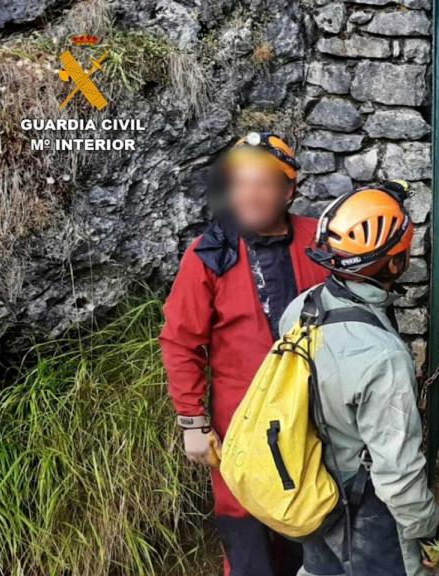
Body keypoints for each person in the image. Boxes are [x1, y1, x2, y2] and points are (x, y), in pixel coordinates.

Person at [160, 132, 328, 575]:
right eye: (240, 183)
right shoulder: (208, 255)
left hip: (315, 418)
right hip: (240, 427)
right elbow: (180, 340)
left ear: (289, 190)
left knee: (312, 532)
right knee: (248, 543)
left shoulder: (320, 242)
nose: (250, 195)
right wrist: (192, 423)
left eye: (265, 183)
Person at [277, 182, 439, 576]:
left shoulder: (302, 307)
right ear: (396, 264)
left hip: (312, 488)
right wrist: (427, 528)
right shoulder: (382, 357)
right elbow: (397, 473)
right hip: (366, 510)